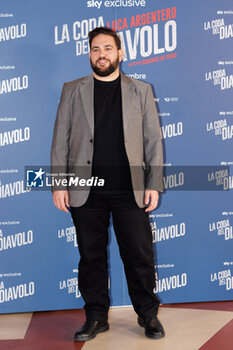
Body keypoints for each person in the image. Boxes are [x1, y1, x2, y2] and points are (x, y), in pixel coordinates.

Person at [51, 26, 164, 342]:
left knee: (139, 256)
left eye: (107, 48)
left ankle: (148, 315)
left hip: (130, 189)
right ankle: (96, 318)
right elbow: (60, 140)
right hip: (85, 191)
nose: (101, 54)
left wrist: (153, 182)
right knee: (91, 258)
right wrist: (60, 184)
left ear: (120, 53)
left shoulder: (141, 90)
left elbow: (152, 140)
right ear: (89, 54)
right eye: (95, 49)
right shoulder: (72, 89)